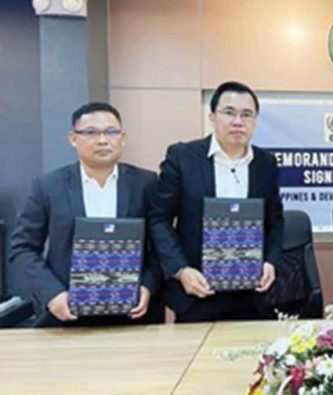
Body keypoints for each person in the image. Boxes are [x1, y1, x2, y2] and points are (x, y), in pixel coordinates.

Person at [10, 102, 162, 327]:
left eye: (111, 131)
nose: (102, 140)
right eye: (91, 132)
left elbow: (162, 244)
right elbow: (22, 248)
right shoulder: (48, 186)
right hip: (67, 313)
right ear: (73, 138)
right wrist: (52, 294)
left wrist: (147, 286)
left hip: (133, 314)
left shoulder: (146, 183)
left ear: (123, 137)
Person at [148, 81, 282, 322]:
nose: (238, 121)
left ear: (255, 121)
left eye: (247, 115)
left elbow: (275, 221)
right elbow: (159, 219)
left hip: (251, 296)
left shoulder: (266, 164)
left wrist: (270, 261)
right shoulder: (182, 157)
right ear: (212, 117)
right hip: (196, 292)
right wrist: (180, 270)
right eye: (229, 113)